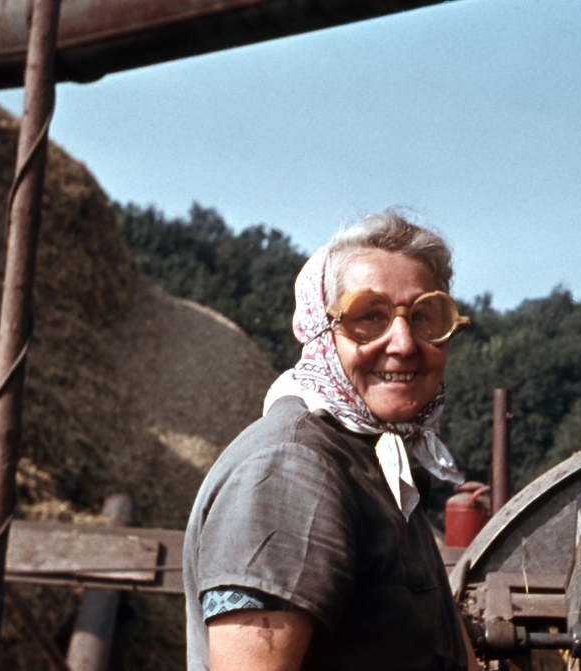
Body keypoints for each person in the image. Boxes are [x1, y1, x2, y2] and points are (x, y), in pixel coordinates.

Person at [183, 211, 475, 671]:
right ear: (321, 329)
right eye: (369, 316)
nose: (403, 343)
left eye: (423, 317)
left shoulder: (374, 461)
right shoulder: (291, 469)